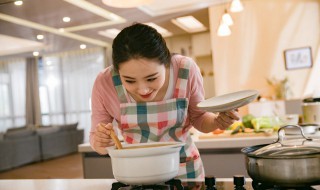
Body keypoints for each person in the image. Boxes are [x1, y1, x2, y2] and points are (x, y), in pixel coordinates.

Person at [90, 23, 239, 181]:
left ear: (167, 63)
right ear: (117, 70)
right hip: (136, 173)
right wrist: (101, 141)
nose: (143, 90)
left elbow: (199, 118)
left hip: (183, 170)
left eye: (151, 78)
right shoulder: (105, 82)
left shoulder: (185, 69)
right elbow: (96, 140)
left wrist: (218, 121)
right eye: (129, 80)